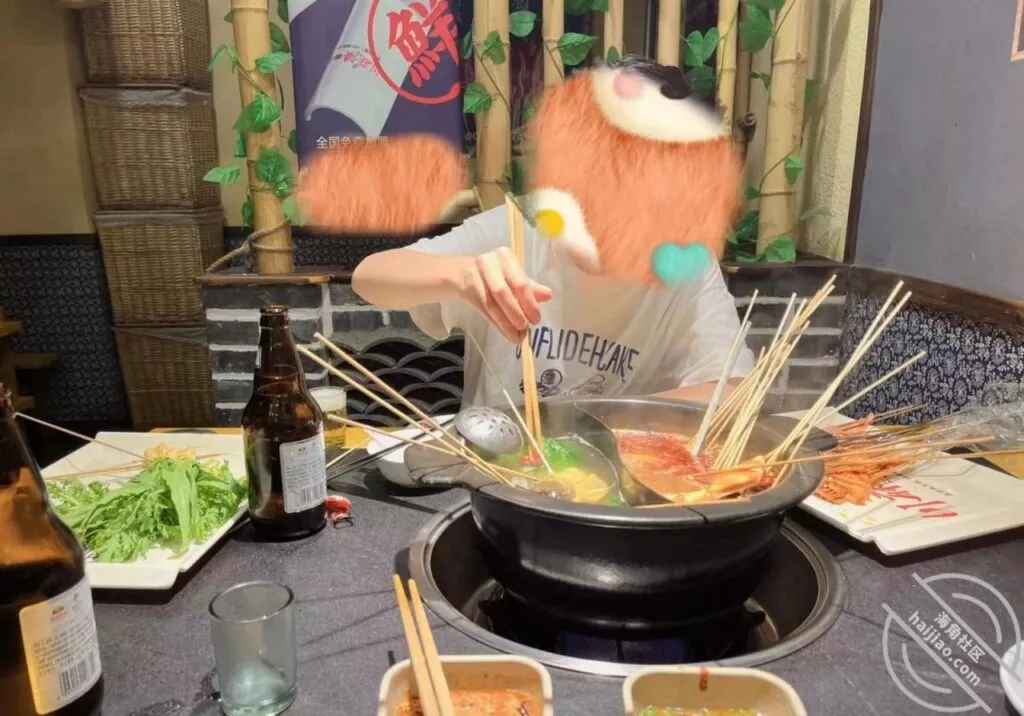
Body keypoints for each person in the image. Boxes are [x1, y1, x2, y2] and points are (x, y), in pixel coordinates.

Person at [351, 203, 755, 409]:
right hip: (495, 472)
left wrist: (599, 423)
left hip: (621, 487)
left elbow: (732, 391)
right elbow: (370, 276)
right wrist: (461, 274)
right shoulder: (517, 227)